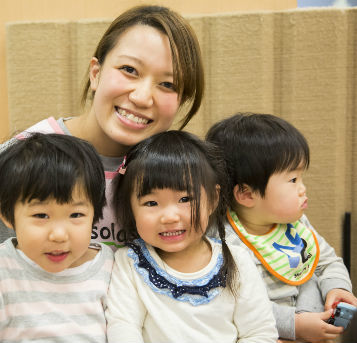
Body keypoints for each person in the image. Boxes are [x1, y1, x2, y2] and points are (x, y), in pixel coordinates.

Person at [0, 5, 205, 343]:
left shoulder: (183, 176)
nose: (142, 95)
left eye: (167, 84)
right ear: (95, 72)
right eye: (129, 70)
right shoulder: (21, 162)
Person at [105, 131, 278, 343]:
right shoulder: (130, 263)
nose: (169, 217)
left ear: (213, 199)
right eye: (151, 203)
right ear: (131, 208)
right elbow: (123, 327)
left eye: (185, 199)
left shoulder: (237, 260)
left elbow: (259, 333)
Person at [205, 113, 357, 342]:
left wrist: (338, 289)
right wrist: (296, 325)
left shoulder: (295, 225)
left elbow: (328, 263)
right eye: (293, 180)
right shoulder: (222, 241)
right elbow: (234, 305)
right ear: (246, 194)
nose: (302, 189)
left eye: (301, 177)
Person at [0, 133, 113, 342]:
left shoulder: (107, 267)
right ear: (5, 213)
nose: (58, 235)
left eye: (76, 215)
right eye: (41, 215)